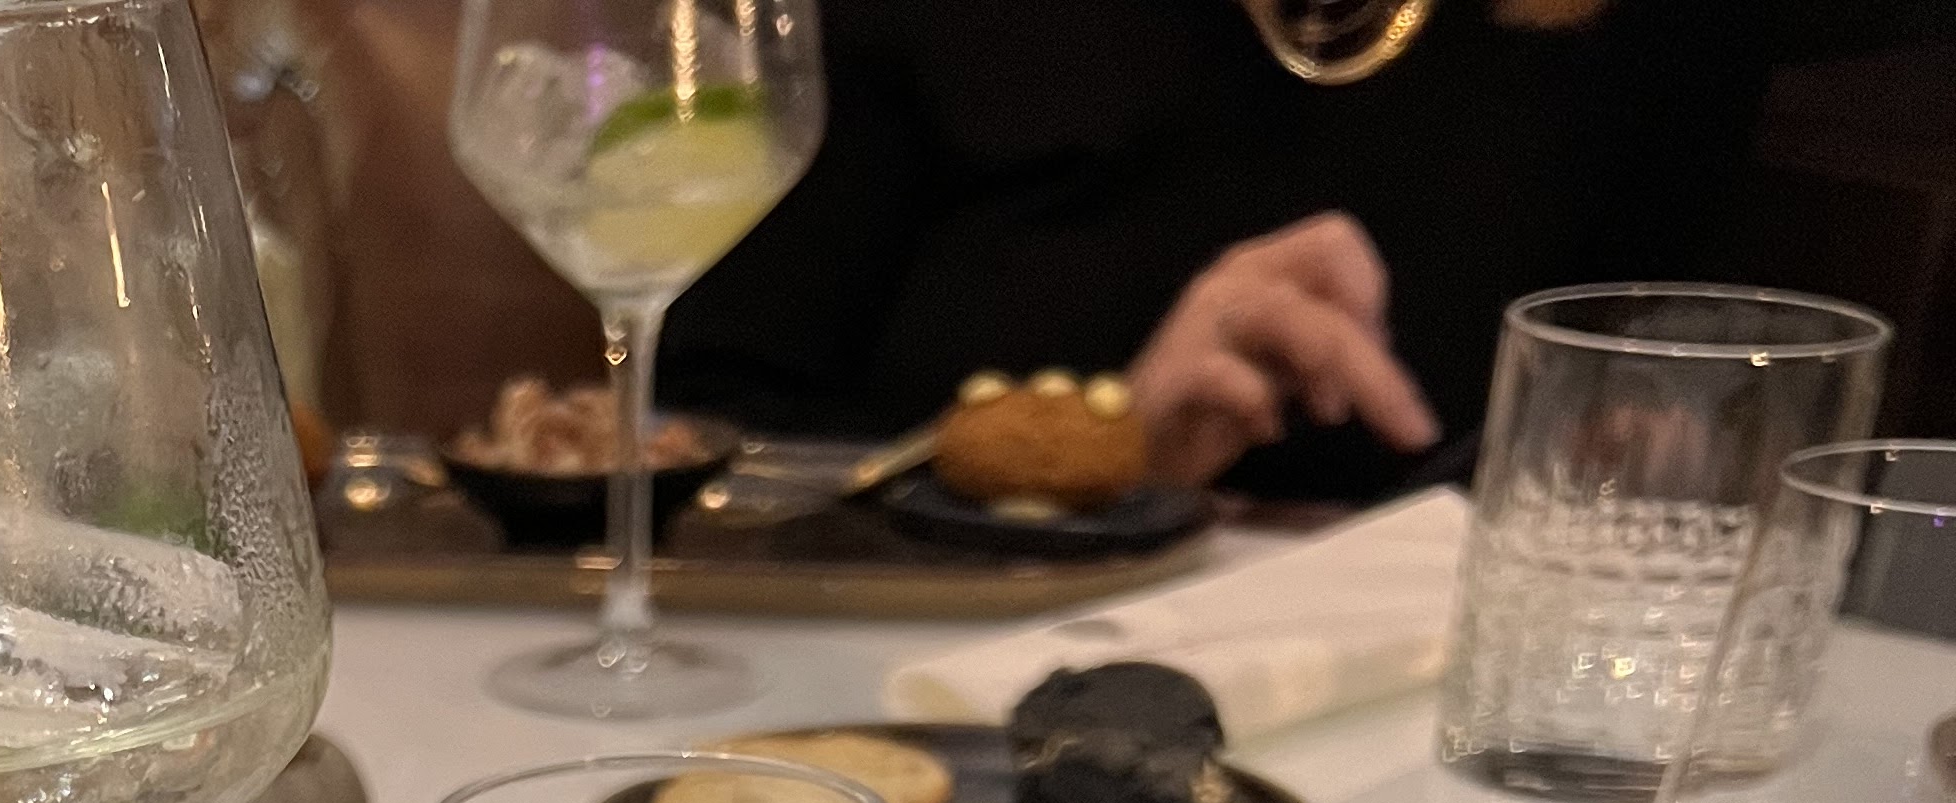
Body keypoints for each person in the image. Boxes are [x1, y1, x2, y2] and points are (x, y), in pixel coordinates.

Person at [664, 0, 1941, 491]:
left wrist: (1664, 438)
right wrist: (1099, 458)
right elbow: (704, 449)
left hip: (1459, 756)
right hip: (937, 706)